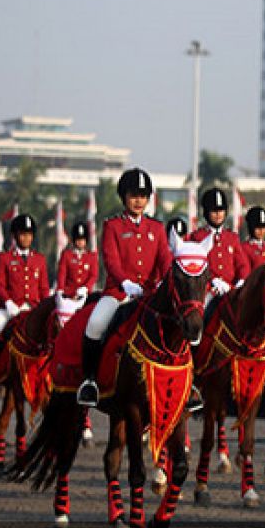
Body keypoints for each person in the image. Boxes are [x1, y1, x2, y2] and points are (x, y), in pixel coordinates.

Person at [77, 168, 172, 407]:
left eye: (143, 195)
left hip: (149, 296)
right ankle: (90, 381)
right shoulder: (112, 226)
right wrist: (126, 283)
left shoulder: (157, 229)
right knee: (95, 324)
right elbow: (110, 260)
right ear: (124, 197)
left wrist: (164, 280)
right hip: (119, 293)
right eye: (133, 195)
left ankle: (188, 382)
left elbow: (165, 259)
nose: (138, 200)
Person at [0, 214, 50, 385]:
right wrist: (8, 303)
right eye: (23, 234)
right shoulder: (4, 258)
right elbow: (0, 284)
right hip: (11, 307)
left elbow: (44, 288)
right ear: (15, 236)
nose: (26, 238)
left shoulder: (40, 259)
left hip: (33, 308)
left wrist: (46, 308)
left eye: (29, 234)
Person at [188, 187, 251, 306]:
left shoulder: (232, 238)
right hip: (207, 292)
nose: (218, 214)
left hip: (230, 291)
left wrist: (241, 281)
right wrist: (211, 281)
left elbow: (242, 265)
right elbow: (195, 267)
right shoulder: (197, 238)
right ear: (206, 212)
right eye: (214, 211)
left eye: (221, 210)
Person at [57, 222, 98, 300]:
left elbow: (93, 276)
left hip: (86, 295)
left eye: (82, 239)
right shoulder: (66, 255)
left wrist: (86, 288)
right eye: (78, 239)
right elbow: (62, 274)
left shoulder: (91, 257)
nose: (80, 242)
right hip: (68, 294)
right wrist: (60, 290)